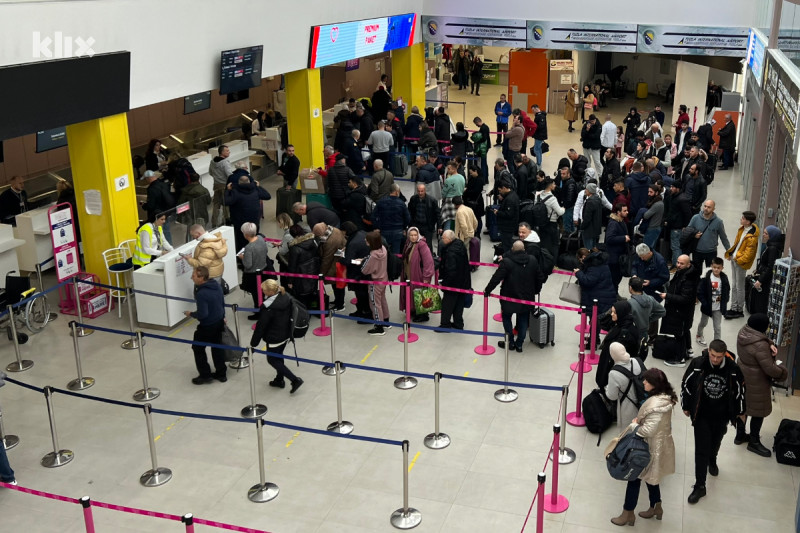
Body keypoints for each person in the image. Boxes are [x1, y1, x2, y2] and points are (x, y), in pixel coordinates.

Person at [681, 339, 745, 504]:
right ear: (708, 351)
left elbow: (740, 390)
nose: (715, 360)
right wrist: (686, 405)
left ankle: (713, 458)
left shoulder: (733, 369)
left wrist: (740, 412)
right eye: (713, 355)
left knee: (716, 441)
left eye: (719, 357)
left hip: (722, 415)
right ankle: (700, 486)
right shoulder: (698, 364)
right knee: (701, 449)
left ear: (724, 355)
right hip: (701, 414)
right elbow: (686, 384)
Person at [609, 368, 676, 526]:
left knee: (634, 478)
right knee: (651, 478)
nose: (644, 382)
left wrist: (635, 425)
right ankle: (656, 507)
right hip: (657, 446)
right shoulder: (664, 400)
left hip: (648, 448)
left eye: (647, 381)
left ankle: (628, 514)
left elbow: (649, 429)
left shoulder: (656, 404)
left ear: (654, 385)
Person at [736, 313, 788, 456]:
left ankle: (739, 435)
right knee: (758, 411)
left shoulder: (743, 332)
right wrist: (783, 372)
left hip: (743, 374)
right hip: (757, 380)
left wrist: (770, 344)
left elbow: (759, 337)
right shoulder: (760, 346)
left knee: (743, 406)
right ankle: (754, 442)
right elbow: (770, 369)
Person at [484, 240, 542, 352]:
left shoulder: (507, 262)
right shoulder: (533, 260)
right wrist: (536, 290)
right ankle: (520, 343)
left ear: (512, 250)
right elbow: (539, 277)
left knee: (506, 317)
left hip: (509, 296)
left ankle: (510, 342)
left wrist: (488, 290)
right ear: (524, 249)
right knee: (523, 319)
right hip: (527, 297)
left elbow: (496, 278)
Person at [249, 279, 303, 393]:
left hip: (274, 336)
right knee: (279, 356)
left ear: (270, 292)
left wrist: (253, 344)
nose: (263, 292)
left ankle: (294, 380)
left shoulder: (268, 307)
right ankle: (279, 379)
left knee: (272, 360)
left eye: (264, 290)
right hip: (285, 333)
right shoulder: (285, 297)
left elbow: (261, 327)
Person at [184, 266, 227, 385]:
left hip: (207, 326)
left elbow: (203, 314)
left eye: (193, 276)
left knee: (197, 348)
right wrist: (223, 316)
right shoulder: (216, 285)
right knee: (217, 347)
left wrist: (191, 314)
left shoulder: (201, 293)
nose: (191, 278)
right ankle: (221, 373)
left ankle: (205, 375)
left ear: (201, 277)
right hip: (218, 322)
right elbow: (222, 303)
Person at [659, 254, 700, 367]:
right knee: (685, 330)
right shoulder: (684, 273)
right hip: (681, 310)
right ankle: (688, 349)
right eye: (678, 262)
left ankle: (680, 358)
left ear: (688, 264)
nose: (678, 265)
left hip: (681, 311)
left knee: (679, 333)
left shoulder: (689, 279)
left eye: (682, 263)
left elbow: (685, 298)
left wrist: (668, 296)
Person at [596, 300, 640, 389]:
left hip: (614, 369)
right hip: (608, 362)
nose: (612, 314)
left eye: (614, 312)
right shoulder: (622, 322)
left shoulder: (626, 333)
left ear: (621, 313)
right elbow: (601, 320)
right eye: (611, 311)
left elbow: (618, 355)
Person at [723, 211, 759, 319]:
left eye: (742, 218)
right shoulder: (742, 229)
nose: (741, 219)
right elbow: (737, 244)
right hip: (735, 260)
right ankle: (734, 307)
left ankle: (739, 310)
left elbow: (748, 255)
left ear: (748, 221)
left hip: (740, 263)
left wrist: (738, 260)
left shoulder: (752, 237)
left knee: (739, 287)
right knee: (734, 285)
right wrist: (731, 254)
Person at [226, 174, 271, 251]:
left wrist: (228, 191)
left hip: (239, 220)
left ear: (239, 183)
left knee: (241, 239)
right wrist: (258, 186)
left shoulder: (235, 191)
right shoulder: (255, 189)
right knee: (254, 237)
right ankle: (255, 253)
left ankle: (242, 256)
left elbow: (227, 201)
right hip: (254, 219)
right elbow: (267, 196)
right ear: (249, 182)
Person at [604, 342, 645, 429]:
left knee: (628, 431)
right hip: (643, 400)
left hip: (628, 407)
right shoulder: (637, 361)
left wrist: (607, 388)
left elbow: (612, 396)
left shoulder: (614, 373)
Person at [401, 227, 435, 323]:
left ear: (418, 235)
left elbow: (428, 262)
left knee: (420, 294)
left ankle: (423, 315)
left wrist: (426, 277)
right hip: (409, 274)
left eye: (415, 235)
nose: (413, 237)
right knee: (413, 293)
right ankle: (414, 310)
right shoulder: (408, 244)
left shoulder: (422, 245)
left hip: (418, 275)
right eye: (411, 235)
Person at [438, 230, 471, 331]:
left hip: (452, 284)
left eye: (443, 238)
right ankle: (458, 323)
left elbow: (450, 271)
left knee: (447, 304)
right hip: (463, 281)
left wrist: (444, 283)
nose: (442, 240)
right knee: (459, 304)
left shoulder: (450, 253)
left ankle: (445, 324)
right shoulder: (460, 245)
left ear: (449, 239)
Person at [360, 230, 390, 336]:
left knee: (375, 304)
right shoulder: (383, 249)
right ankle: (386, 320)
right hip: (384, 278)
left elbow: (365, 270)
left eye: (367, 239)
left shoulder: (373, 255)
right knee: (382, 300)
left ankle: (379, 326)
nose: (365, 240)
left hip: (375, 281)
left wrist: (362, 262)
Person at [696, 257, 729, 346]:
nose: (716, 269)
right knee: (703, 322)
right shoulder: (706, 278)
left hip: (718, 307)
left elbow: (727, 290)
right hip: (707, 307)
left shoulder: (724, 278)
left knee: (717, 327)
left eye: (718, 268)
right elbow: (700, 291)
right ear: (711, 266)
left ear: (722, 268)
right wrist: (705, 302)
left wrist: (725, 301)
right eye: (714, 267)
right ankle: (699, 334)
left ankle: (717, 343)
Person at [313, 222, 346, 312]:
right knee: (337, 285)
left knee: (337, 286)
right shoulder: (334, 230)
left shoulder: (329, 242)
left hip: (334, 265)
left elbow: (327, 259)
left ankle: (340, 304)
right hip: (339, 262)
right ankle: (338, 301)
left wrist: (321, 273)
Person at [686, 200, 730, 268]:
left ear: (713, 209)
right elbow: (688, 231)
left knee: (710, 274)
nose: (706, 208)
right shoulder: (695, 218)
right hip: (697, 251)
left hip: (711, 252)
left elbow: (723, 237)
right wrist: (694, 235)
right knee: (696, 273)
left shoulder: (718, 222)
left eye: (709, 207)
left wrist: (729, 251)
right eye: (705, 206)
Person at [574, 247, 616, 315]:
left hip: (598, 300)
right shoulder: (600, 262)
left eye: (580, 260)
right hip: (605, 296)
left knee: (596, 321)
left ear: (584, 257)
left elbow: (588, 281)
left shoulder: (593, 266)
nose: (581, 262)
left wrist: (578, 273)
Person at [238, 222, 268, 315]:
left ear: (246, 234)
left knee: (256, 294)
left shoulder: (249, 247)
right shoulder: (260, 239)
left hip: (252, 274)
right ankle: (262, 307)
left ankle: (258, 312)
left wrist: (242, 257)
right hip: (263, 269)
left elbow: (248, 265)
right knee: (261, 292)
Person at [751, 225, 784, 310]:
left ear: (772, 236)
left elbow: (770, 267)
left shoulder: (772, 248)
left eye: (766, 233)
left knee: (761, 301)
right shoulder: (769, 245)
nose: (763, 235)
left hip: (765, 280)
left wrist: (760, 280)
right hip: (763, 274)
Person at [628, 277, 666, 349]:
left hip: (633, 332)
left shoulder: (629, 303)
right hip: (645, 332)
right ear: (642, 286)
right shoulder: (650, 299)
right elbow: (662, 311)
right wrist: (648, 319)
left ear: (630, 288)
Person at [372, 184, 410, 254]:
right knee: (396, 254)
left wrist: (376, 227)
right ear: (397, 192)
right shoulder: (401, 203)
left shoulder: (381, 201)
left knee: (383, 252)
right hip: (397, 231)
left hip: (384, 231)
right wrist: (404, 228)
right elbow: (407, 218)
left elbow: (374, 216)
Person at [665, 182, 692, 269]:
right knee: (675, 246)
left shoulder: (681, 199)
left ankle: (677, 266)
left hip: (677, 227)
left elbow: (687, 214)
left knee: (676, 247)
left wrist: (685, 226)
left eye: (673, 187)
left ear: (678, 188)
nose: (671, 188)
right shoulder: (674, 197)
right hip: (674, 225)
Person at [142, 169, 175, 242]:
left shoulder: (152, 189)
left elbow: (151, 205)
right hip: (167, 212)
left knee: (158, 233)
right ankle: (170, 247)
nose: (145, 180)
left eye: (145, 179)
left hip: (157, 214)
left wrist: (144, 206)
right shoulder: (164, 184)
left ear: (149, 178)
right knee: (166, 231)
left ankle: (162, 250)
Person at [407, 182, 440, 254]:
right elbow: (409, 212)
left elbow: (437, 214)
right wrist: (410, 224)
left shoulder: (432, 201)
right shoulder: (413, 199)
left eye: (422, 191)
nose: (420, 193)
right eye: (418, 191)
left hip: (427, 226)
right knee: (414, 243)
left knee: (428, 246)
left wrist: (439, 226)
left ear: (425, 191)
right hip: (416, 225)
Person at [536, 178, 564, 260]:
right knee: (554, 243)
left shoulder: (538, 195)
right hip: (551, 223)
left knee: (543, 242)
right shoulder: (552, 199)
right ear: (550, 186)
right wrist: (563, 209)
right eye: (554, 184)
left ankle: (542, 259)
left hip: (541, 223)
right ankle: (553, 261)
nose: (555, 185)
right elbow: (560, 212)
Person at [605, 203, 630, 293]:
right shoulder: (614, 224)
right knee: (615, 277)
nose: (627, 212)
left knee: (617, 277)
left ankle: (614, 294)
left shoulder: (620, 221)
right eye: (624, 211)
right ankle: (613, 295)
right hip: (614, 257)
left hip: (618, 256)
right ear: (618, 212)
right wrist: (623, 238)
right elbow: (609, 238)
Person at [209, 145, 234, 225]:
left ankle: (214, 222)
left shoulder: (212, 161)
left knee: (216, 204)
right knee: (225, 204)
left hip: (216, 185)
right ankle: (227, 220)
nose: (229, 152)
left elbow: (210, 172)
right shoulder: (225, 162)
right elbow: (229, 174)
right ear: (222, 152)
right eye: (227, 151)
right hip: (224, 185)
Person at [493, 181, 519, 253]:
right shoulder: (512, 195)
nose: (500, 192)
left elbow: (509, 214)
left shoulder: (510, 199)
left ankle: (507, 259)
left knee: (507, 245)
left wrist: (498, 212)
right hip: (510, 225)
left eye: (500, 190)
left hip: (507, 227)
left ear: (504, 188)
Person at [640, 184, 664, 249]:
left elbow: (646, 215)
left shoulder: (657, 204)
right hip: (654, 228)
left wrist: (643, 211)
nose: (649, 194)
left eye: (651, 192)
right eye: (648, 192)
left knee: (647, 249)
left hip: (652, 229)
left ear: (656, 193)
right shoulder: (657, 202)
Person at [580, 183, 603, 250]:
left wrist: (582, 226)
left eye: (586, 189)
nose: (585, 191)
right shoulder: (598, 200)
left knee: (588, 249)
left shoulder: (590, 202)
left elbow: (587, 218)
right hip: (595, 229)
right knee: (594, 247)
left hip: (589, 230)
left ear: (590, 191)